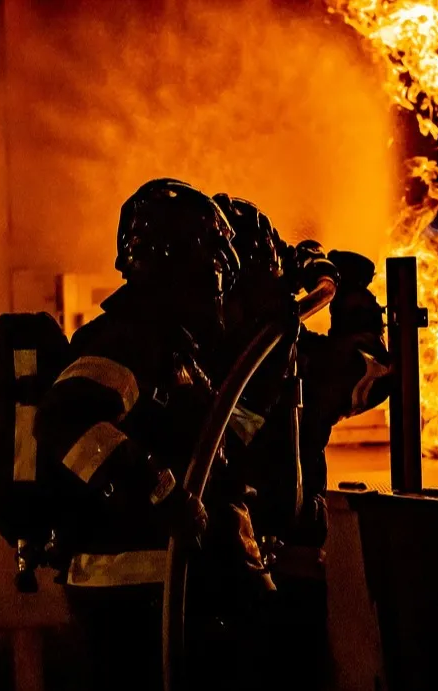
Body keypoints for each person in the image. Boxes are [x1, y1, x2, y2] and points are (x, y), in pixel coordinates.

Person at [33, 178, 268, 691]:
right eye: (212, 252)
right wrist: (160, 493)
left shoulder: (171, 348)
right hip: (133, 594)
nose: (220, 270)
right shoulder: (127, 342)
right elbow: (63, 420)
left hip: (163, 589)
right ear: (185, 256)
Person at [212, 193, 395, 689]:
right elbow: (371, 375)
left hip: (248, 559)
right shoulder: (271, 353)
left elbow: (366, 375)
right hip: (269, 560)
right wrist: (354, 301)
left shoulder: (253, 348)